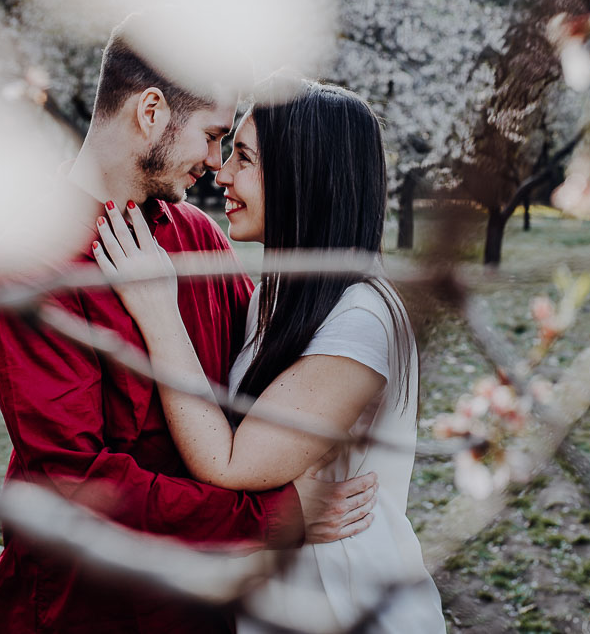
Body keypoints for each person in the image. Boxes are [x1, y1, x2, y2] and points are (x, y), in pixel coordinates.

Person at [0, 27, 379, 634]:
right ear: (151, 111)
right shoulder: (27, 274)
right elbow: (80, 484)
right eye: (214, 137)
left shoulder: (199, 236)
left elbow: (260, 383)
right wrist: (271, 515)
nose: (217, 165)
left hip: (212, 600)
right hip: (92, 606)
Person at [92, 82, 445, 633]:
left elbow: (228, 463)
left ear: (308, 177)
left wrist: (156, 309)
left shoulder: (362, 320)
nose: (222, 172)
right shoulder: (276, 297)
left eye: (246, 157)